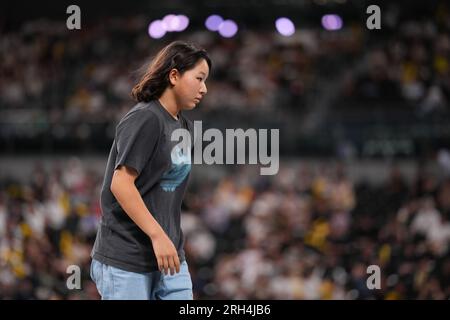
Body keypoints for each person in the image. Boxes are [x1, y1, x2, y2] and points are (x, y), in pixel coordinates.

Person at [90, 41, 211, 300]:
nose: (204, 88)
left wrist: (168, 240)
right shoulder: (145, 118)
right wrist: (158, 236)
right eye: (199, 78)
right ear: (174, 75)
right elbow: (121, 184)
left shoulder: (184, 128)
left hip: (169, 256)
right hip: (127, 256)